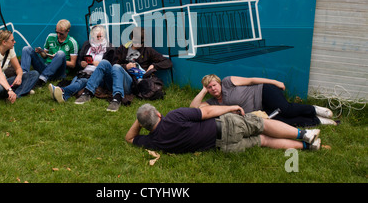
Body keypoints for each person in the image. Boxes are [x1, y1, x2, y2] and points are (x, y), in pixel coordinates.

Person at [126, 103, 322, 154]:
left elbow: (129, 138)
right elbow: (208, 112)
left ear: (144, 126)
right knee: (263, 124)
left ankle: (308, 147)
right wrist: (232, 107)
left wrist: (140, 122)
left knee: (265, 141)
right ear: (159, 114)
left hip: (225, 147)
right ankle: (305, 134)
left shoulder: (154, 142)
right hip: (226, 126)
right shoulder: (174, 117)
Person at [75, 27, 172, 112]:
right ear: (131, 38)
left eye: (140, 42)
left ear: (143, 41)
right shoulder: (123, 48)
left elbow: (167, 62)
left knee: (117, 67)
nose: (137, 44)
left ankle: (117, 99)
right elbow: (113, 64)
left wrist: (154, 66)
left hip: (130, 84)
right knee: (105, 63)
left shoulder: (147, 50)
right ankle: (87, 93)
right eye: (135, 41)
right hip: (113, 79)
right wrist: (126, 66)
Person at [190, 75, 336, 127]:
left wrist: (275, 82)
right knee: (283, 121)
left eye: (214, 85)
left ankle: (314, 109)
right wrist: (203, 91)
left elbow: (252, 80)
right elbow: (193, 109)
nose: (213, 89)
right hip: (262, 109)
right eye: (209, 88)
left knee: (286, 110)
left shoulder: (228, 82)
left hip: (264, 92)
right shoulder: (213, 103)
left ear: (219, 83)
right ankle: (317, 121)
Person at [48, 25, 113, 102]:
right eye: (96, 37)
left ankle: (62, 91)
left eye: (100, 36)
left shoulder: (109, 48)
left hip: (96, 77)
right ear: (92, 36)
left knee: (82, 82)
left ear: (104, 36)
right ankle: (63, 96)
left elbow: (110, 67)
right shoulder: (87, 45)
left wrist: (99, 64)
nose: (99, 39)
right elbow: (78, 62)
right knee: (78, 82)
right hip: (83, 73)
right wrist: (81, 63)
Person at [0, 29, 39, 104]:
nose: (14, 42)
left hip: (4, 82)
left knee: (34, 74)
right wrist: (9, 89)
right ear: (4, 42)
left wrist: (19, 77)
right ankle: (17, 92)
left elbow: (18, 68)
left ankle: (16, 95)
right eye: (12, 40)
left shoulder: (10, 50)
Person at [21, 19, 79, 87]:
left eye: (61, 33)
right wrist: (41, 52)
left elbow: (73, 64)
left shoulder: (72, 42)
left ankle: (42, 79)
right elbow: (45, 56)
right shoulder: (51, 37)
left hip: (59, 72)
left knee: (60, 54)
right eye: (57, 32)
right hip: (46, 67)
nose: (58, 35)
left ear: (67, 31)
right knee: (26, 49)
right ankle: (23, 77)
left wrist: (57, 59)